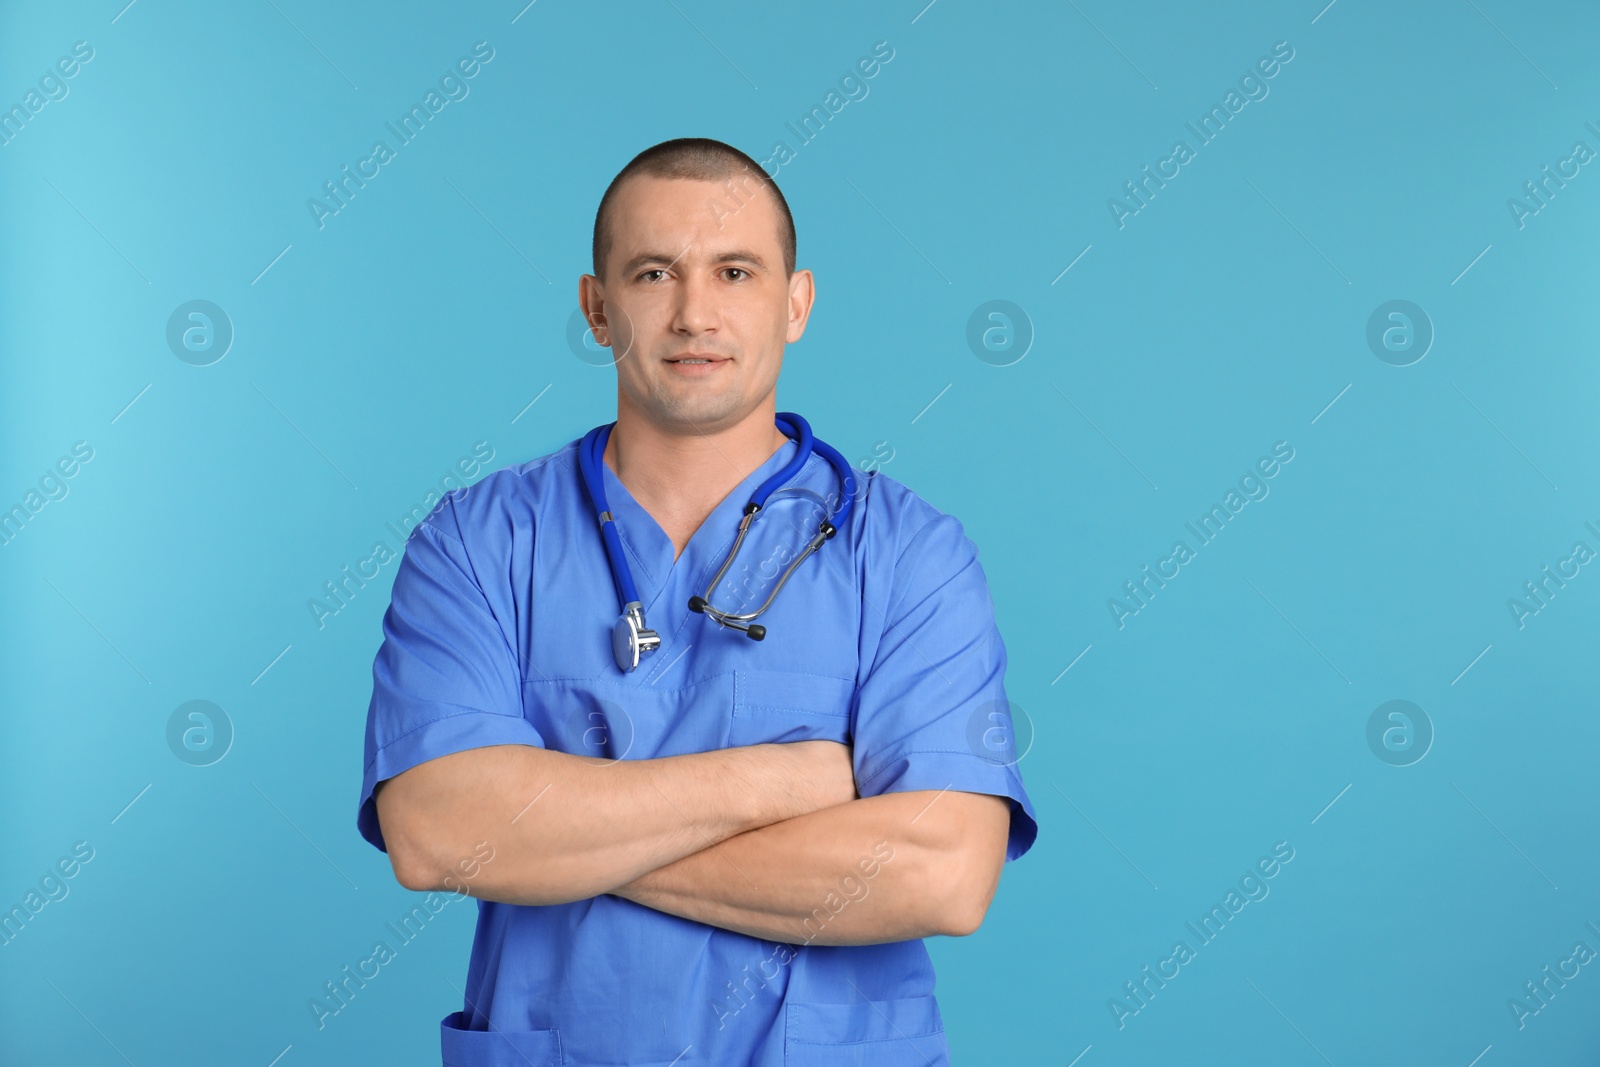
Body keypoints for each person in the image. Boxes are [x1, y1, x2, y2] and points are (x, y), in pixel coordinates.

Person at [357, 136, 1038, 1066]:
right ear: (598, 309)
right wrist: (784, 783)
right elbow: (439, 832)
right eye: (652, 274)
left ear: (794, 303)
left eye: (735, 271)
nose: (693, 313)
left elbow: (945, 872)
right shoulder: (479, 542)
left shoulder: (909, 554)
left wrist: (563, 842)